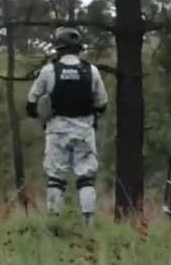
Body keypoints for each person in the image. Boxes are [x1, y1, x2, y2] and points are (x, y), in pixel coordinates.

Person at [26, 26, 109, 225]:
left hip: (57, 131)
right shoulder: (91, 71)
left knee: (55, 178)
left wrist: (42, 114)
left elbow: (31, 104)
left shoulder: (49, 71)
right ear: (79, 49)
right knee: (86, 178)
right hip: (84, 130)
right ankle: (87, 224)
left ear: (58, 49)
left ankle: (54, 222)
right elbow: (102, 104)